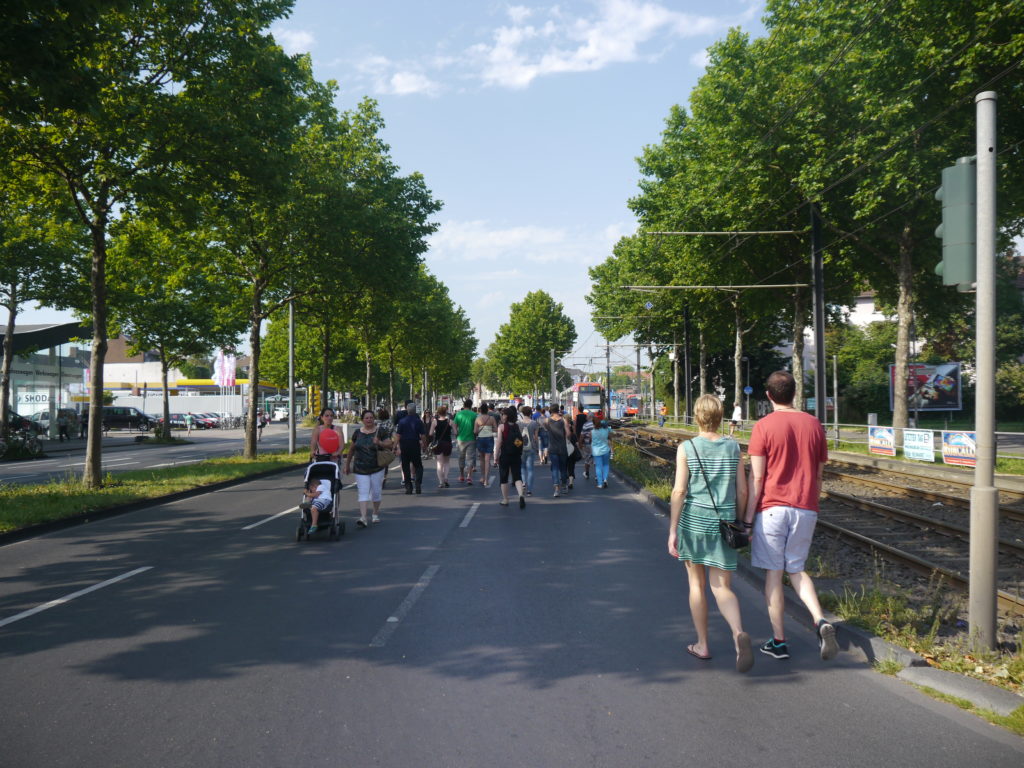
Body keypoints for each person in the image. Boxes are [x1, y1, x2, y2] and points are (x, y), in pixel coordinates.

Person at [744, 370, 838, 662]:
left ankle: (779, 642)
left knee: (774, 575)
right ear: (794, 393)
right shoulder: (814, 425)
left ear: (769, 396)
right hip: (805, 508)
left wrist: (748, 519)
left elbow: (757, 479)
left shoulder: (763, 426)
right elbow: (820, 474)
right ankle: (821, 620)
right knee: (796, 569)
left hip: (772, 509)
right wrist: (810, 500)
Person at [668, 394, 753, 673]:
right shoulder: (732, 447)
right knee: (722, 587)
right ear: (720, 416)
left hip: (694, 523)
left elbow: (680, 490)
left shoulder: (687, 447)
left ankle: (703, 644)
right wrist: (740, 521)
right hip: (724, 521)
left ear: (696, 416)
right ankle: (738, 631)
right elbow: (742, 490)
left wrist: (672, 530)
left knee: (697, 585)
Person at [345, 409, 393, 527]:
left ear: (374, 419)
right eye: (366, 418)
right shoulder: (357, 433)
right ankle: (363, 517)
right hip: (360, 467)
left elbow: (390, 444)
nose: (369, 420)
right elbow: (351, 449)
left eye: (371, 417)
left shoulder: (380, 431)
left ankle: (375, 513)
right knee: (363, 492)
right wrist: (347, 464)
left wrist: (379, 443)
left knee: (376, 492)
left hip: (376, 467)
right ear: (362, 420)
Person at [494, 406, 527, 508]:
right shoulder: (517, 426)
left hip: (505, 455)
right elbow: (520, 440)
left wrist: (495, 456)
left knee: (504, 478)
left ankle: (505, 499)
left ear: (506, 416)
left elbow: (499, 442)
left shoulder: (501, 427)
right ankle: (521, 495)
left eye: (503, 414)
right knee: (517, 476)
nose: (502, 416)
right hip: (516, 454)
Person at [396, 401, 426, 494]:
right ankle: (418, 484)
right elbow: (423, 435)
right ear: (415, 411)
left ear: (407, 410)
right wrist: (424, 445)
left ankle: (408, 487)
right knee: (418, 466)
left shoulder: (402, 421)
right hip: (414, 445)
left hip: (404, 445)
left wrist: (395, 447)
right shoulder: (418, 421)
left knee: (405, 466)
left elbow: (398, 435)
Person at [544, 404, 569, 497]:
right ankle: (564, 486)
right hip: (562, 447)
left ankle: (556, 489)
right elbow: (569, 433)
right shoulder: (564, 420)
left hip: (552, 447)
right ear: (558, 410)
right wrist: (564, 438)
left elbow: (547, 429)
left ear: (550, 410)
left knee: (555, 468)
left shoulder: (547, 420)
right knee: (563, 467)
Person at [429, 405, 455, 488]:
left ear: (438, 413)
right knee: (447, 462)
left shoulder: (435, 421)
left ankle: (441, 482)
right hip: (447, 443)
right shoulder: (450, 421)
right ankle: (446, 478)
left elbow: (430, 433)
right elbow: (456, 432)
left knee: (439, 463)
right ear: (446, 412)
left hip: (438, 444)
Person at [474, 403, 498, 488]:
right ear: (487, 410)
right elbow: (495, 429)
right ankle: (487, 480)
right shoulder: (491, 418)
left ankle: (482, 477)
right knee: (487, 460)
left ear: (480, 410)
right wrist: (489, 428)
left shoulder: (478, 419)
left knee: (481, 460)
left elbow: (475, 431)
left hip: (481, 439)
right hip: (489, 439)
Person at [454, 399, 477, 485]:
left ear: (464, 405)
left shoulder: (458, 414)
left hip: (461, 439)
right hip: (471, 439)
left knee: (461, 457)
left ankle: (461, 475)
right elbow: (476, 428)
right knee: (470, 459)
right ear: (471, 406)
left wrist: (456, 435)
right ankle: (469, 477)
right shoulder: (474, 415)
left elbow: (455, 426)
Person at [519, 405, 540, 496]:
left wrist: (517, 447)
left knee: (522, 467)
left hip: (521, 447)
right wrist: (538, 449)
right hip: (531, 448)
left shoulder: (518, 423)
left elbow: (517, 437)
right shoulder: (534, 423)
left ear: (522, 413)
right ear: (530, 413)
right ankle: (529, 490)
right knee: (530, 469)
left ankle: (523, 483)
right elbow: (536, 437)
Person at [590, 413, 612, 489]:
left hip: (596, 452)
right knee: (606, 465)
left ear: (593, 424)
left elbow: (590, 440)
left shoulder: (592, 432)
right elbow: (610, 437)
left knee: (598, 467)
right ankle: (605, 479)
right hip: (606, 450)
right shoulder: (606, 430)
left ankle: (600, 484)